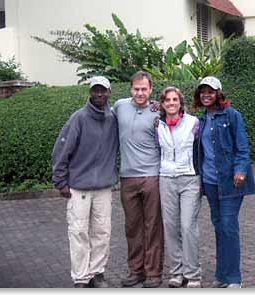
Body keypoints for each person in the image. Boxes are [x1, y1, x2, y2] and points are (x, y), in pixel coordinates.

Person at [190, 76, 255, 288]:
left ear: (218, 93)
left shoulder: (232, 115)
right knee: (219, 227)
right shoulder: (200, 120)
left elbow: (242, 146)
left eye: (210, 91)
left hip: (231, 182)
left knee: (229, 227)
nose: (206, 95)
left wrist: (240, 170)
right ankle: (222, 275)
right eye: (203, 92)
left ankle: (233, 278)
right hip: (210, 182)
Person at [52, 76, 118, 288]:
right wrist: (60, 181)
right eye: (95, 90)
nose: (99, 94)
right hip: (78, 186)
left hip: (104, 188)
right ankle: (81, 277)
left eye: (103, 90)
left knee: (102, 232)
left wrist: (155, 109)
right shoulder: (78, 118)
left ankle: (97, 273)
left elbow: (140, 111)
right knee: (78, 232)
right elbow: (61, 150)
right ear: (90, 92)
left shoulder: (113, 118)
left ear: (109, 92)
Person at [112, 71, 163, 288]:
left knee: (152, 226)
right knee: (132, 226)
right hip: (127, 177)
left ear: (151, 90)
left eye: (144, 89)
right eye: (136, 89)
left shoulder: (157, 111)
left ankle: (153, 273)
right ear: (130, 89)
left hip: (151, 176)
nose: (140, 93)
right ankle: (136, 271)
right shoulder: (119, 106)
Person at [156, 87, 202, 288]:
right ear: (162, 103)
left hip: (189, 179)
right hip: (166, 178)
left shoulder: (194, 123)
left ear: (180, 102)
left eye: (175, 99)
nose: (171, 103)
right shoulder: (157, 125)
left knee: (187, 225)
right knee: (170, 226)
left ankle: (193, 274)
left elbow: (202, 148)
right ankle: (177, 272)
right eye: (167, 100)